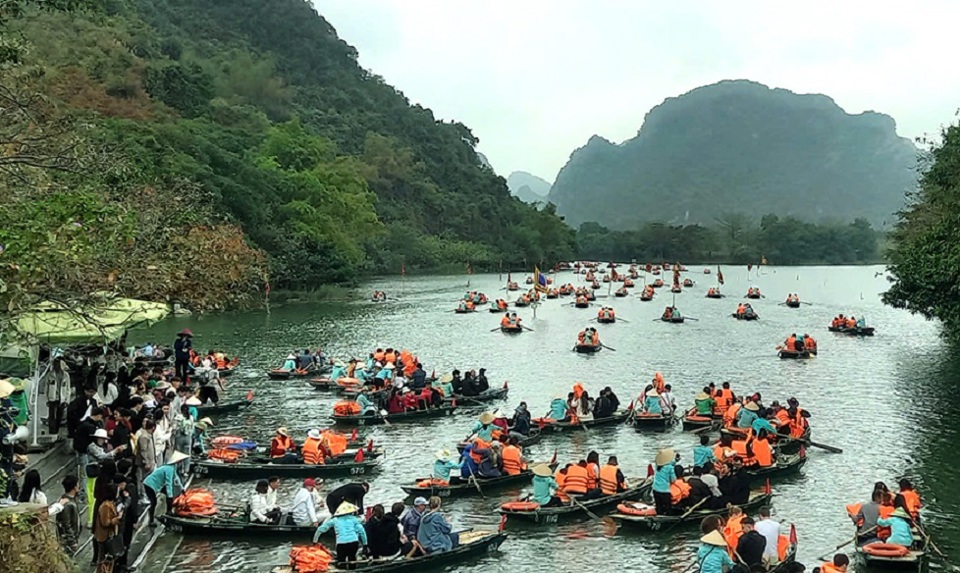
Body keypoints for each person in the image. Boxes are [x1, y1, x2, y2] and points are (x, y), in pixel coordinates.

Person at [314, 502, 368, 567]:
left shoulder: (335, 520)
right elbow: (362, 531)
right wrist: (365, 545)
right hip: (354, 542)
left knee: (341, 562)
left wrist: (315, 541)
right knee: (352, 559)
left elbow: (320, 529)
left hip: (341, 544)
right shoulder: (354, 519)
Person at [142, 451, 187, 526]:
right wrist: (170, 496)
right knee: (154, 502)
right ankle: (151, 521)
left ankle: (168, 512)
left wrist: (182, 489)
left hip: (155, 484)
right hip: (149, 484)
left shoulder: (173, 467)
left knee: (168, 497)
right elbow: (168, 483)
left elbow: (176, 478)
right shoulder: (169, 469)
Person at [93, 475, 122, 573]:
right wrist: (117, 519)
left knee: (109, 560)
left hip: (108, 535)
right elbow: (105, 522)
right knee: (104, 560)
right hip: (104, 537)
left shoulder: (110, 504)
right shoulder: (105, 506)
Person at [653, 449, 679, 514]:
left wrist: (675, 461)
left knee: (659, 507)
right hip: (665, 490)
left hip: (655, 489)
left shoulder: (657, 466)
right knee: (668, 508)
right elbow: (673, 480)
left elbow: (668, 463)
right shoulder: (670, 468)